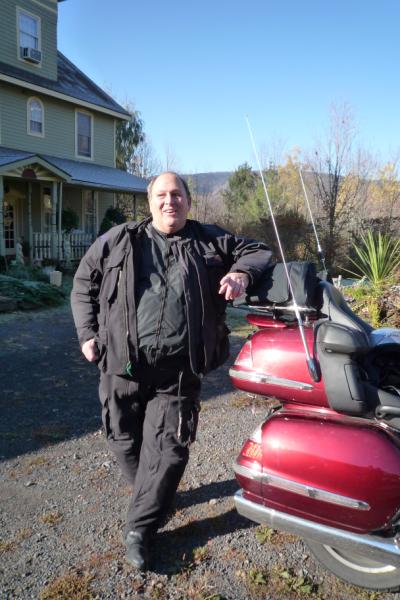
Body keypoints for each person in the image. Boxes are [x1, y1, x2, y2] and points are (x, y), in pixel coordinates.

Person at [71, 172, 272, 570]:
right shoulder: (120, 239)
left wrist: (241, 273)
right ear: (149, 203)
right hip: (121, 365)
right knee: (122, 439)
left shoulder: (210, 239)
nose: (169, 201)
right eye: (161, 195)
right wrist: (87, 333)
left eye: (177, 194)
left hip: (178, 371)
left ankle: (139, 528)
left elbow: (259, 251)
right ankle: (153, 495)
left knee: (168, 449)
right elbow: (83, 283)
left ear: (188, 201)